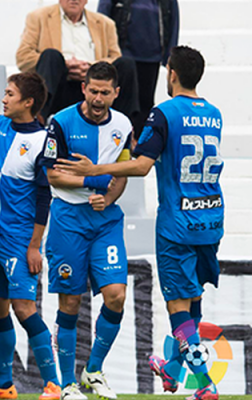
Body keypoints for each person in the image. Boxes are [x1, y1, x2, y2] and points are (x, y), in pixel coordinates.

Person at [55, 46, 223, 400]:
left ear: (171, 74)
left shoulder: (161, 113)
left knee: (179, 306)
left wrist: (95, 172)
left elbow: (142, 165)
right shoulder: (214, 113)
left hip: (179, 221)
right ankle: (172, 368)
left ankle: (205, 385)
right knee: (193, 299)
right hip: (212, 216)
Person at [40, 62, 132, 400]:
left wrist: (108, 196)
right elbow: (53, 176)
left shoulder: (122, 124)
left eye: (104, 92)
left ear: (116, 93)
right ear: (83, 89)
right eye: (93, 90)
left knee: (116, 295)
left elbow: (122, 171)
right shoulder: (60, 122)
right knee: (70, 301)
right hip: (68, 218)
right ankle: (66, 385)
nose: (97, 98)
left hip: (105, 220)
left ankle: (93, 370)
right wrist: (93, 179)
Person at [0, 72, 61, 400]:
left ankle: (54, 385)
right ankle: (3, 385)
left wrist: (35, 245)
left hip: (21, 239)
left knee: (24, 308)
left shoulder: (41, 141)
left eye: (10, 94)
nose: (3, 98)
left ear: (28, 102)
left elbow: (44, 197)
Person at [16, 0, 139, 123]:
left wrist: (92, 68)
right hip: (58, 86)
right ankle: (38, 119)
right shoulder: (38, 17)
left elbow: (115, 57)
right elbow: (23, 57)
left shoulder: (105, 23)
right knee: (51, 56)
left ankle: (127, 126)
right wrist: (65, 64)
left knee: (126, 64)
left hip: (94, 87)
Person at [98, 0, 179, 136]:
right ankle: (116, 140)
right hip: (121, 56)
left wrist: (169, 57)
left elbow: (173, 20)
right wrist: (104, 50)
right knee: (120, 101)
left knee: (145, 104)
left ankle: (140, 147)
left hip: (152, 55)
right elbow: (102, 18)